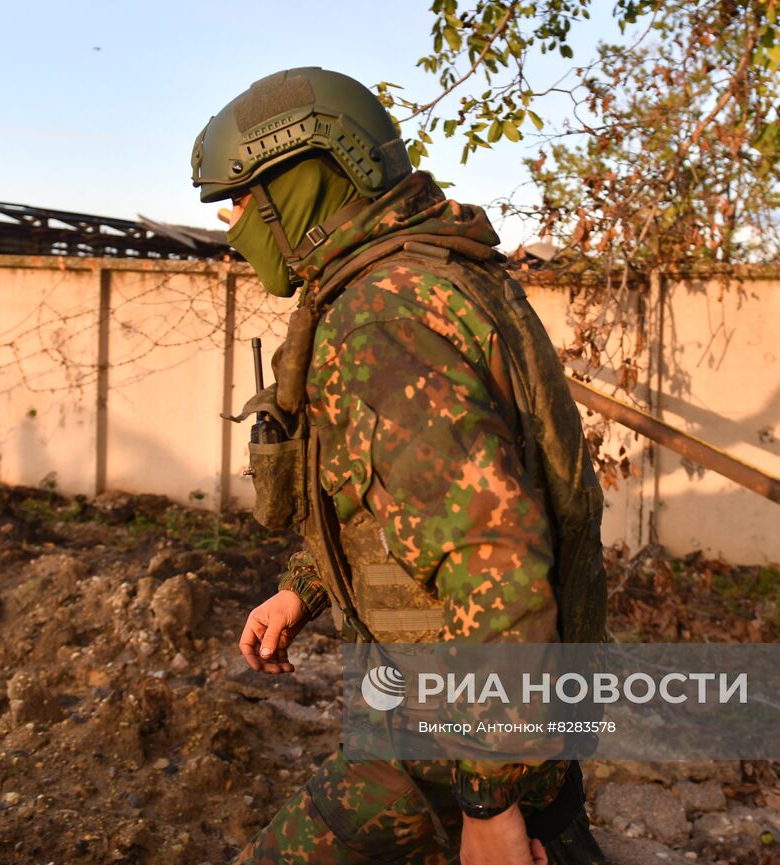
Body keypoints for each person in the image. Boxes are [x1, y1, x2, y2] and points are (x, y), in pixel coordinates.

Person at [192, 68, 608, 865]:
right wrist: (301, 588)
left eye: (240, 198)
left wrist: (488, 800)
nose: (229, 219)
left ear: (304, 185)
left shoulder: (381, 318)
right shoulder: (439, 274)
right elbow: (395, 498)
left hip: (449, 746)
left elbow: (495, 558)